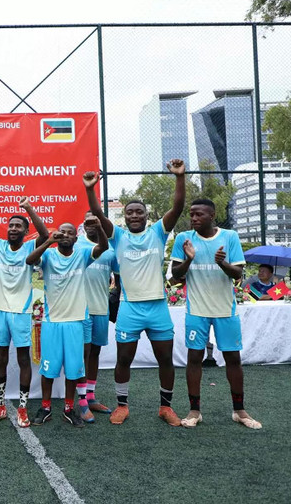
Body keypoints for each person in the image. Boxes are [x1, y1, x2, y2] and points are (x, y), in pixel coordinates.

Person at [83, 159, 187, 426]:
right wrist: (90, 190)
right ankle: (122, 406)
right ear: (125, 217)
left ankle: (166, 407)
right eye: (130, 212)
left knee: (165, 358)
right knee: (124, 359)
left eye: (139, 212)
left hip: (157, 308)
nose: (134, 215)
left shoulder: (158, 233)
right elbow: (97, 213)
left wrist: (179, 177)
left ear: (147, 215)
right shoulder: (117, 236)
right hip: (130, 308)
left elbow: (177, 207)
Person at [171, 199, 262, 429]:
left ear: (212, 216)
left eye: (199, 214)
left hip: (225, 311)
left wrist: (222, 264)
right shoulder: (184, 239)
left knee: (233, 359)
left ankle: (239, 410)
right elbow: (175, 273)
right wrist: (189, 259)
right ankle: (194, 411)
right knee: (194, 359)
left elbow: (238, 273)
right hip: (196, 311)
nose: (193, 218)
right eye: (191, 214)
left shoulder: (229, 237)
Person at [0, 196, 49, 428]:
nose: (13, 229)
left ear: (25, 231)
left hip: (22, 313)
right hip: (1, 312)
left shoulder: (30, 247)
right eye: (11, 225)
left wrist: (28, 208)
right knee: (1, 358)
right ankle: (0, 404)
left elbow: (44, 235)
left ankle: (22, 407)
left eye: (18, 226)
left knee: (24, 360)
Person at [26, 218, 109, 427]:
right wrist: (47, 242)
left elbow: (104, 246)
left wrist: (98, 227)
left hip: (76, 322)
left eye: (70, 233)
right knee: (48, 369)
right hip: (52, 322)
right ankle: (45, 407)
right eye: (62, 232)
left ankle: (69, 408)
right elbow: (29, 260)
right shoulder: (49, 255)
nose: (65, 235)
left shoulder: (82, 255)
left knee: (74, 369)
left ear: (76, 237)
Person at [76, 211, 120, 421]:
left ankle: (91, 396)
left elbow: (119, 280)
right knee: (83, 353)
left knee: (95, 353)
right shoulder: (76, 245)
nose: (91, 225)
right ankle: (82, 402)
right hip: (80, 309)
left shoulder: (111, 249)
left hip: (101, 308)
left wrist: (116, 303)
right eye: (88, 222)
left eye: (96, 221)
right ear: (83, 225)